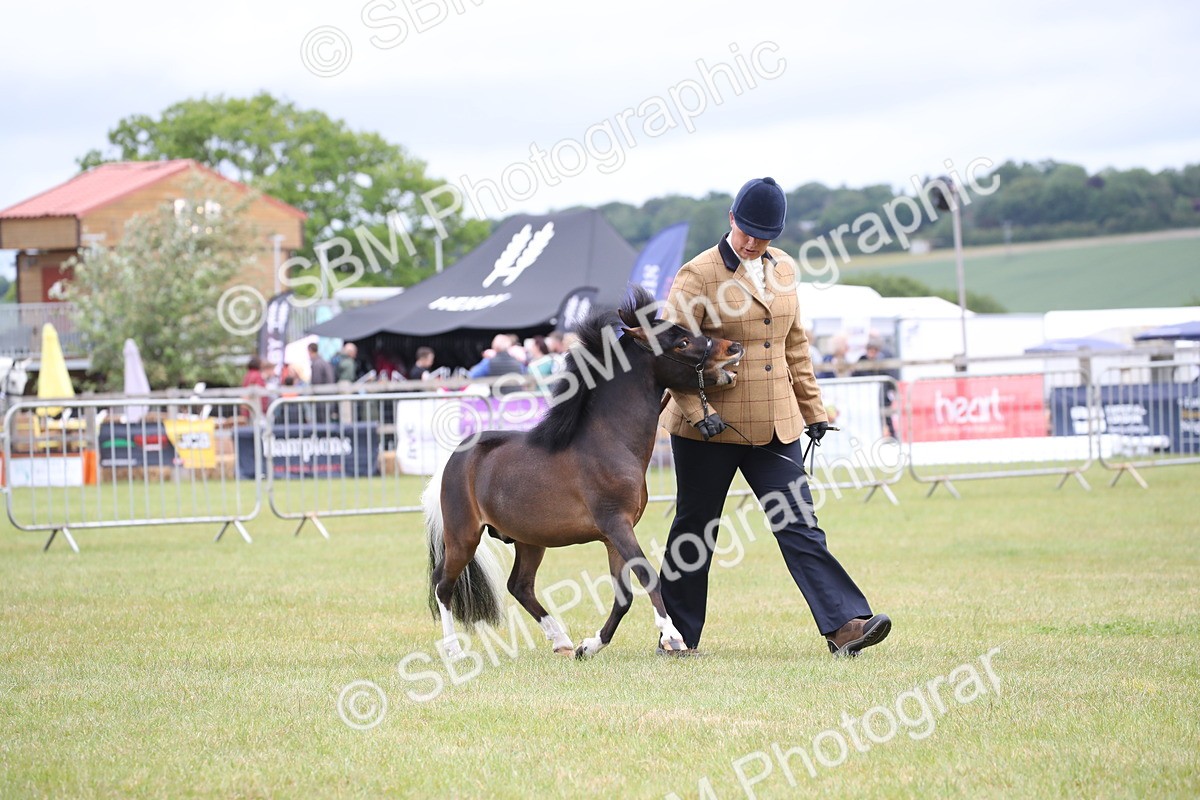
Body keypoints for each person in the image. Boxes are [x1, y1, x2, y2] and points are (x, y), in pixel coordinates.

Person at [657, 176, 891, 658]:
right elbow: (670, 352)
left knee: (799, 522)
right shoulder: (697, 275)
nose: (753, 243)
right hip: (710, 428)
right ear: (731, 219)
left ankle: (844, 625)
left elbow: (794, 344)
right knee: (695, 531)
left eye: (763, 236)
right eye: (746, 232)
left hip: (775, 424)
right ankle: (676, 636)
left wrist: (813, 410)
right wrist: (698, 413)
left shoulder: (783, 267)